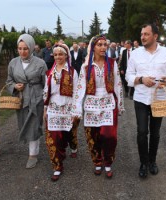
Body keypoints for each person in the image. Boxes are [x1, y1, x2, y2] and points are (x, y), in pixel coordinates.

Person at [126, 24, 166, 178]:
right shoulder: (135, 54)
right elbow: (128, 76)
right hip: (141, 98)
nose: (142, 37)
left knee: (155, 133)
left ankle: (152, 161)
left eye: (146, 34)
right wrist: (141, 79)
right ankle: (143, 163)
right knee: (142, 132)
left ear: (155, 36)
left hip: (159, 98)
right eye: (142, 34)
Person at [71, 34, 125, 178]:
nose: (103, 47)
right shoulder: (86, 66)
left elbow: (118, 85)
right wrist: (76, 108)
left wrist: (119, 104)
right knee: (93, 136)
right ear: (93, 47)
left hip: (108, 103)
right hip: (91, 104)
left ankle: (108, 162)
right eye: (99, 45)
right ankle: (97, 161)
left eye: (104, 45)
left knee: (110, 136)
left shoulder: (112, 63)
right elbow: (80, 88)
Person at [6, 34, 47, 169]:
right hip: (22, 98)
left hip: (36, 98)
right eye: (20, 48)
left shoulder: (40, 63)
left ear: (31, 48)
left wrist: (46, 101)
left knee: (34, 125)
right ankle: (33, 147)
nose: (22, 52)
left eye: (25, 49)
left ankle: (33, 154)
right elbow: (9, 81)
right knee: (24, 123)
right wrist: (14, 86)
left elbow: (45, 83)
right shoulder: (13, 63)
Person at [43, 43, 79, 181]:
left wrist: (75, 110)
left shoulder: (72, 72)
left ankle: (73, 147)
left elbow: (76, 92)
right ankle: (57, 165)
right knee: (53, 137)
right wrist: (45, 109)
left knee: (68, 134)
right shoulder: (50, 72)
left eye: (61, 54)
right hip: (53, 108)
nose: (58, 57)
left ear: (66, 56)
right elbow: (46, 91)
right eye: (56, 54)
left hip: (68, 107)